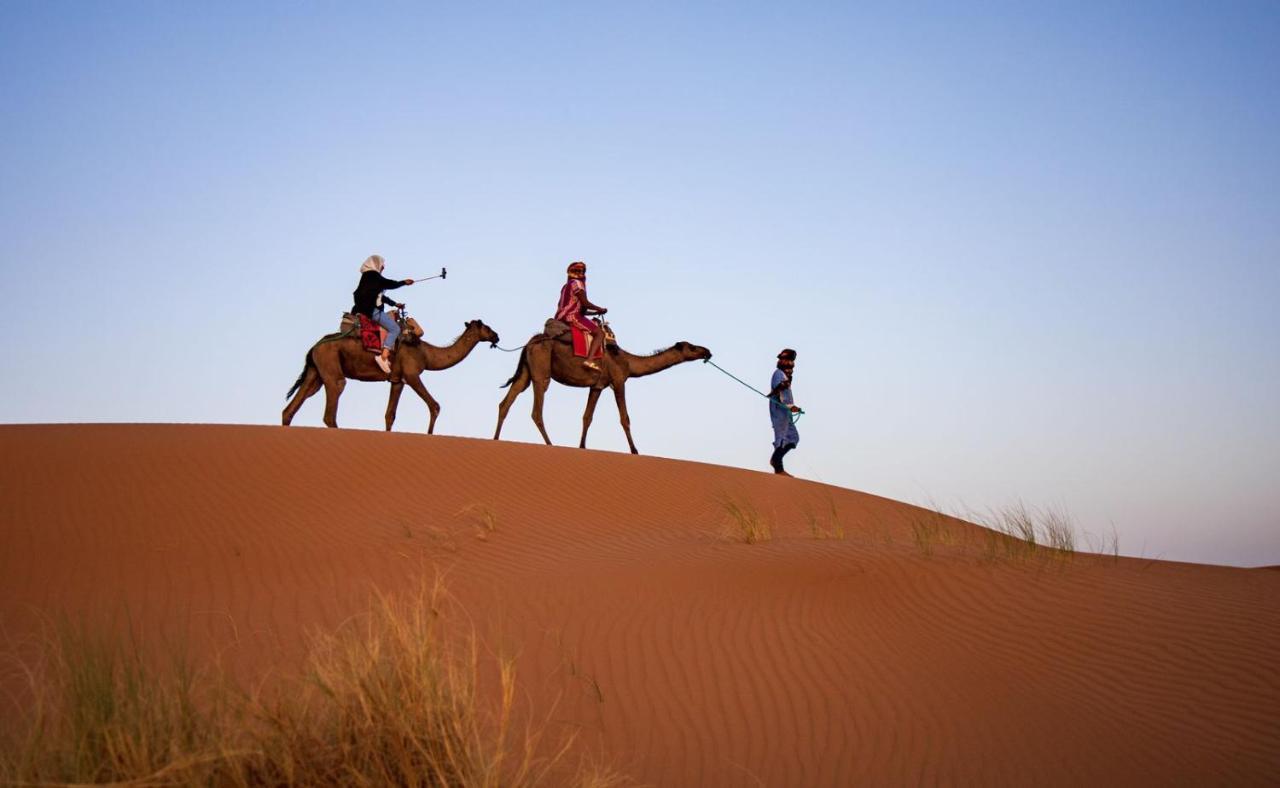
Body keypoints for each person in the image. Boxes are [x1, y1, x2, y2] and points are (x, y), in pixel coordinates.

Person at [351, 254, 413, 374]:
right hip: (371, 311)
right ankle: (383, 357)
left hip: (363, 309)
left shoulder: (368, 278)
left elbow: (380, 296)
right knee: (395, 329)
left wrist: (395, 304)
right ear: (375, 264)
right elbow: (389, 284)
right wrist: (404, 282)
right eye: (382, 265)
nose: (383, 267)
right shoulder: (373, 275)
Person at [554, 261, 608, 371]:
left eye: (582, 271)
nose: (580, 273)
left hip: (564, 316)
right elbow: (585, 303)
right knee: (600, 333)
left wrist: (595, 313)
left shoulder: (566, 286)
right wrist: (599, 309)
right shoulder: (577, 284)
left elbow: (578, 308)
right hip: (572, 316)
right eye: (578, 271)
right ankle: (589, 360)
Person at [768, 348, 801, 477]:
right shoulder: (779, 374)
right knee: (782, 437)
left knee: (792, 437)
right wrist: (790, 406)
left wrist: (792, 407)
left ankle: (777, 463)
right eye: (783, 359)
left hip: (785, 410)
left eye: (787, 360)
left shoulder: (784, 374)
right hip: (779, 408)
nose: (786, 362)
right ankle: (777, 465)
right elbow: (781, 389)